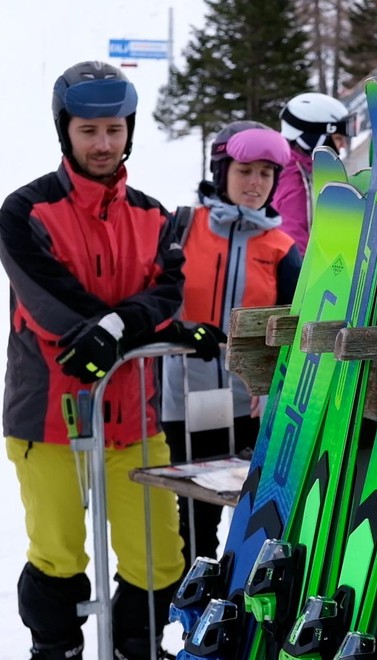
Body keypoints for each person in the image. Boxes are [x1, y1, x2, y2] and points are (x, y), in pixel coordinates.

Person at [0, 60, 214, 660]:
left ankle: (134, 646)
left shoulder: (155, 216)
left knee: (159, 555)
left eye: (114, 129)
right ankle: (56, 646)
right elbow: (50, 304)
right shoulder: (25, 212)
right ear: (64, 129)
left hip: (135, 419)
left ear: (130, 130)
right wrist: (127, 324)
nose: (103, 143)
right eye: (89, 130)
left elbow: (167, 292)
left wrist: (123, 327)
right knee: (59, 551)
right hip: (48, 415)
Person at [161, 120, 302, 569]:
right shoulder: (182, 228)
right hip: (182, 402)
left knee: (248, 520)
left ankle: (234, 612)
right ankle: (187, 618)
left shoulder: (281, 248)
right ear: (222, 171)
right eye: (245, 170)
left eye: (266, 172)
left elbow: (292, 331)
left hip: (248, 407)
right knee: (190, 526)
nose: (255, 183)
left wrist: (274, 386)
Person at [272, 92, 355, 253]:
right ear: (313, 138)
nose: (343, 146)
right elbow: (293, 239)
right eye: (338, 138)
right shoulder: (295, 178)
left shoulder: (300, 168)